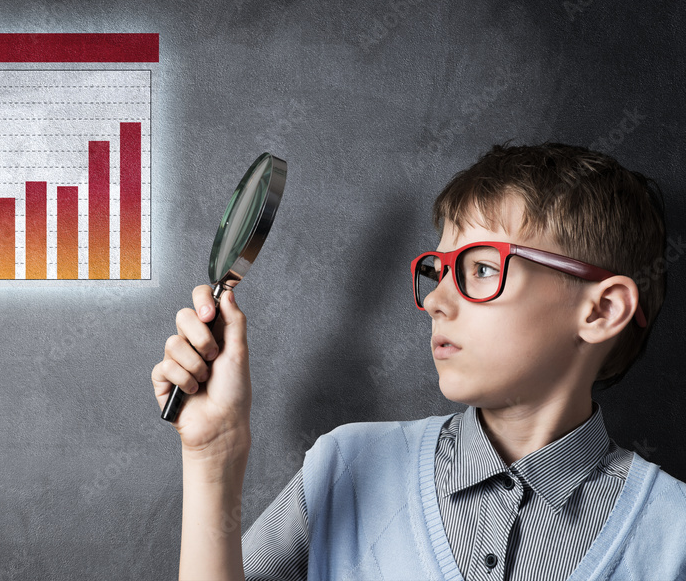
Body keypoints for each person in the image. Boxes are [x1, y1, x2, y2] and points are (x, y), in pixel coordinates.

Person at [151, 143, 686, 580]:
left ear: (602, 310)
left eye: (479, 269)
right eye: (438, 271)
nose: (434, 301)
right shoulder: (347, 465)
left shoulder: (673, 532)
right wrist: (212, 459)